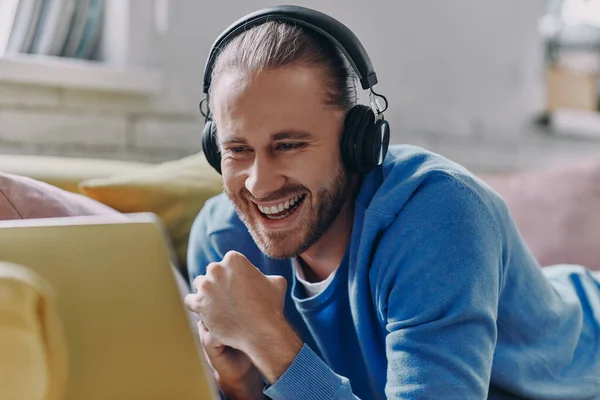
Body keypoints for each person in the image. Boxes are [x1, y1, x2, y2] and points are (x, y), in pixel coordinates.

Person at [184, 5, 600, 400]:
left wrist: (269, 340)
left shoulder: (439, 217)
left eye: (289, 145)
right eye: (237, 149)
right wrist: (240, 384)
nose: (259, 183)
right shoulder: (222, 241)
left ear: (357, 142)